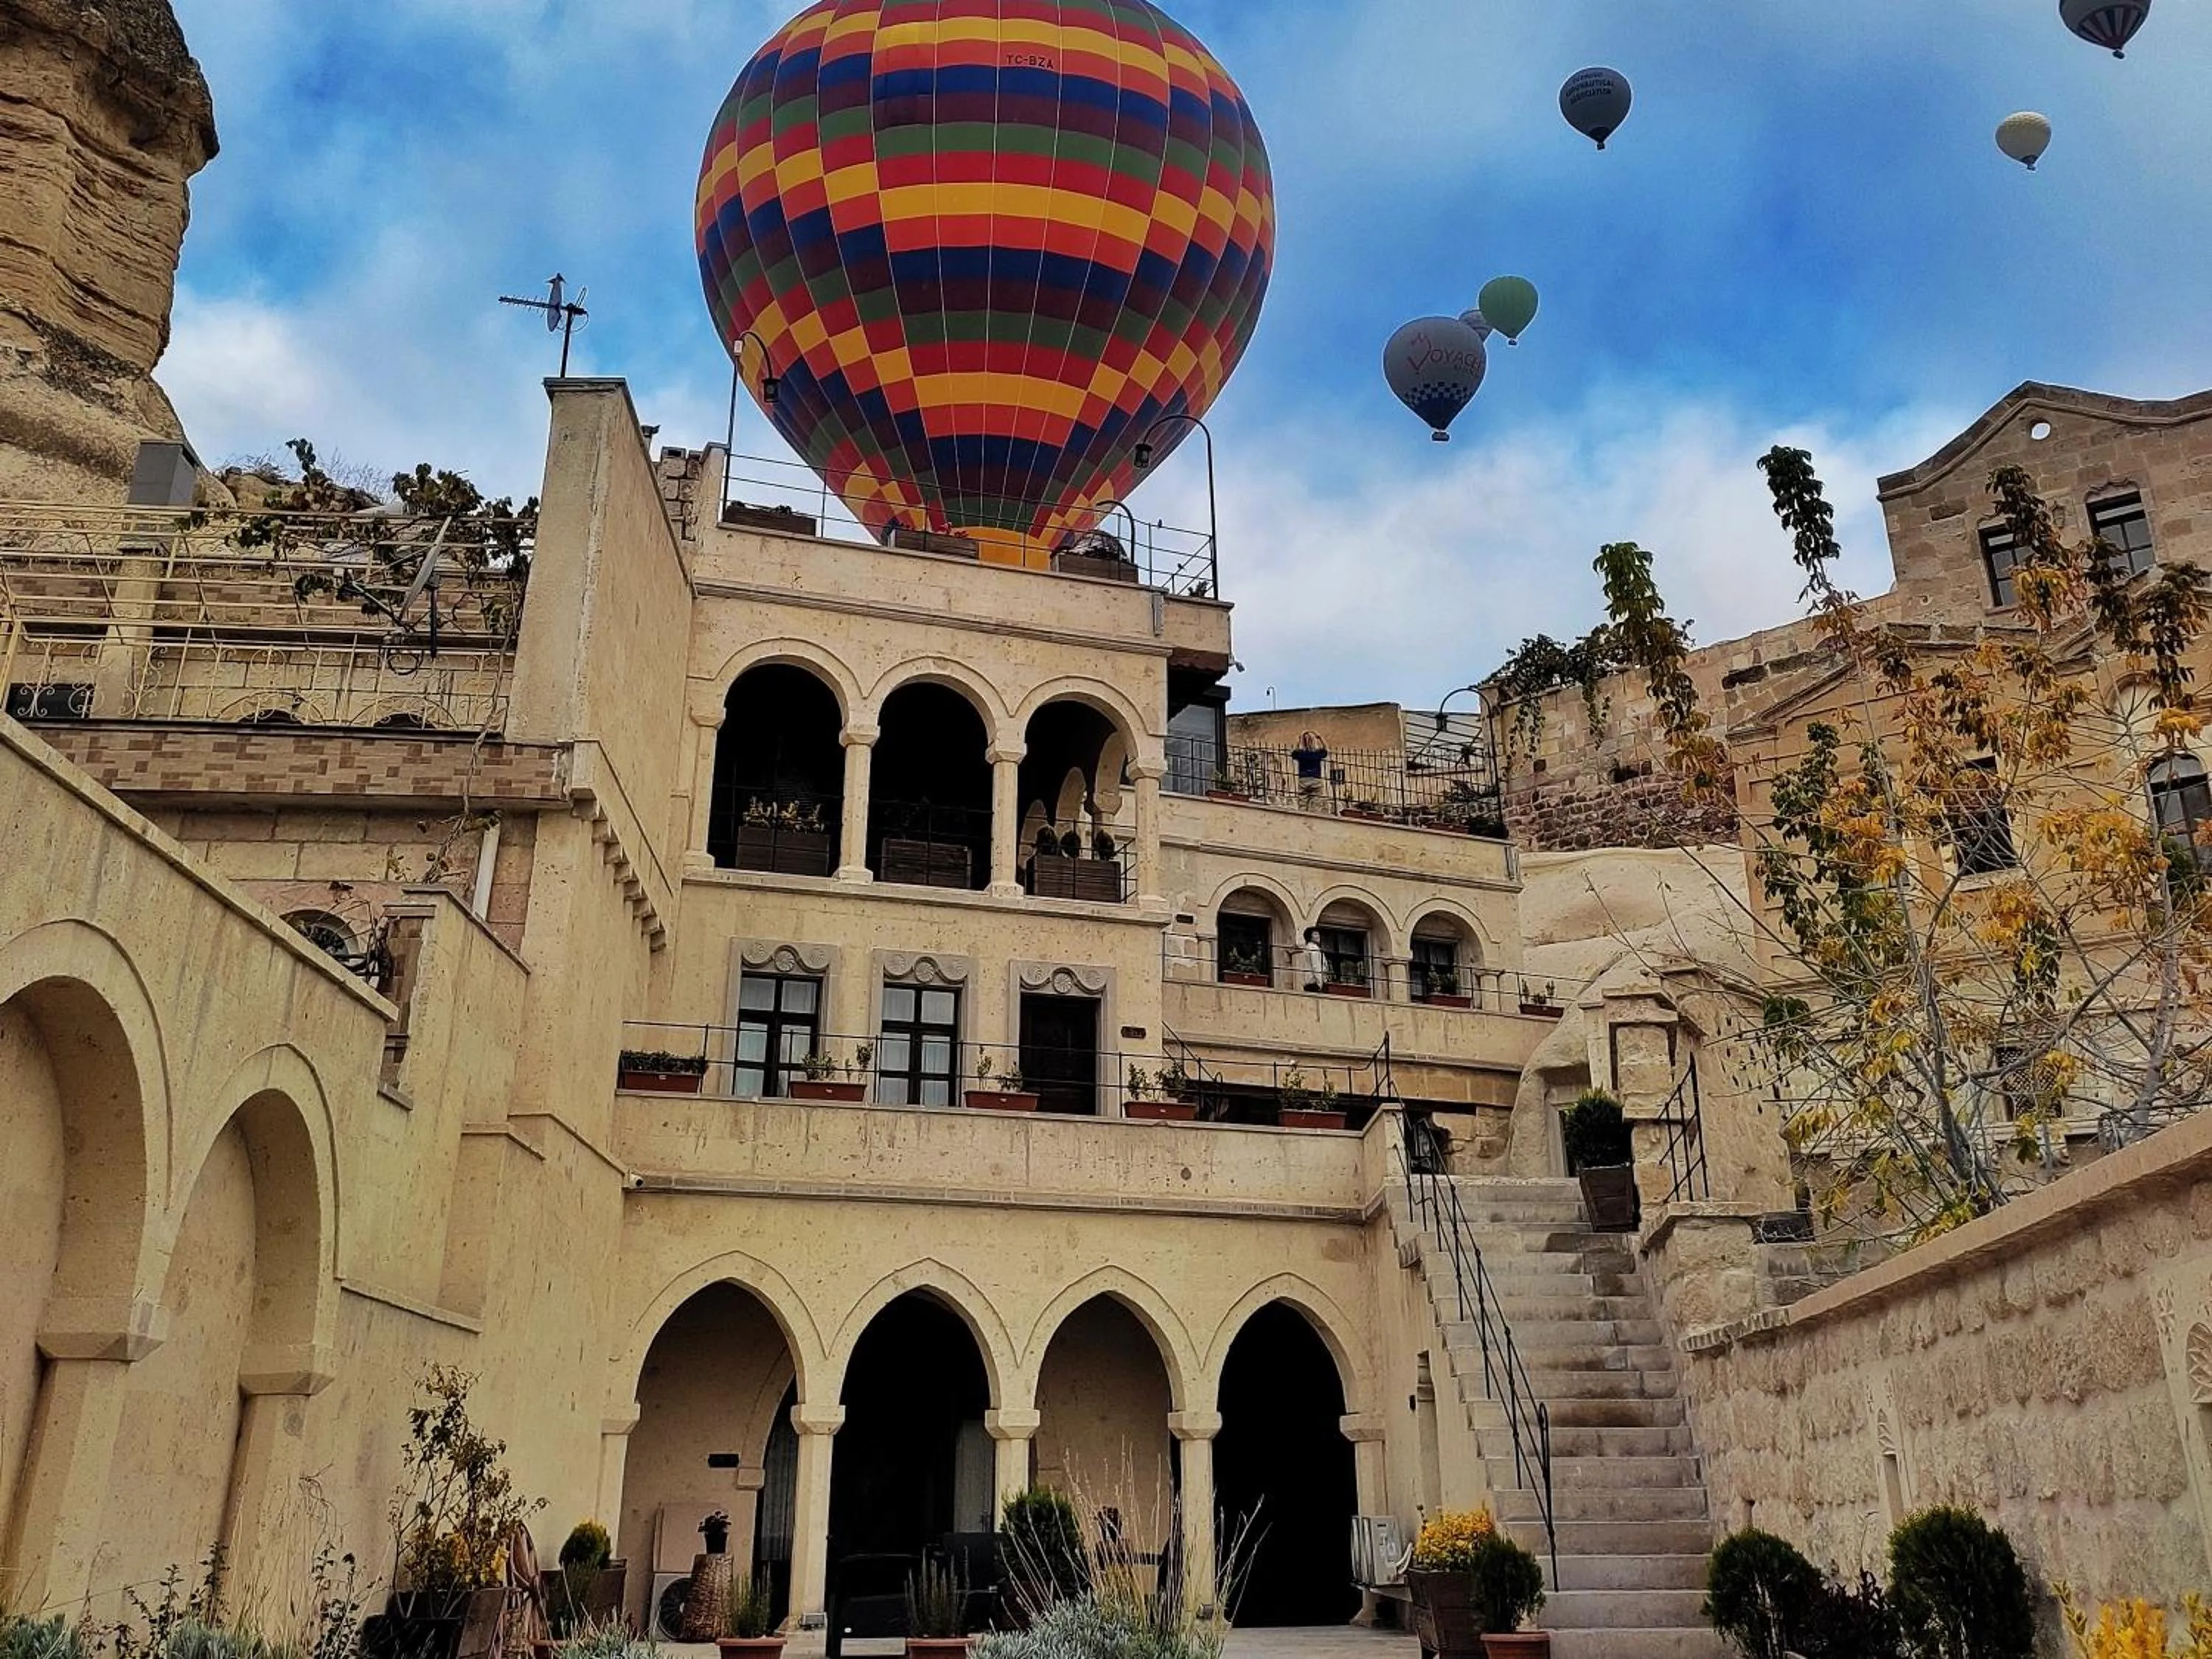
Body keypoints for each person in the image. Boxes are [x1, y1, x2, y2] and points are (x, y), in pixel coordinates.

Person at [1301, 927, 1329, 992]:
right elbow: (1316, 966)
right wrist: (1320, 983)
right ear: (1310, 937)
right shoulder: (1313, 948)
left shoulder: (1307, 948)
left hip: (1309, 982)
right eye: (1315, 934)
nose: (1318, 936)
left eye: (1318, 934)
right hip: (1314, 983)